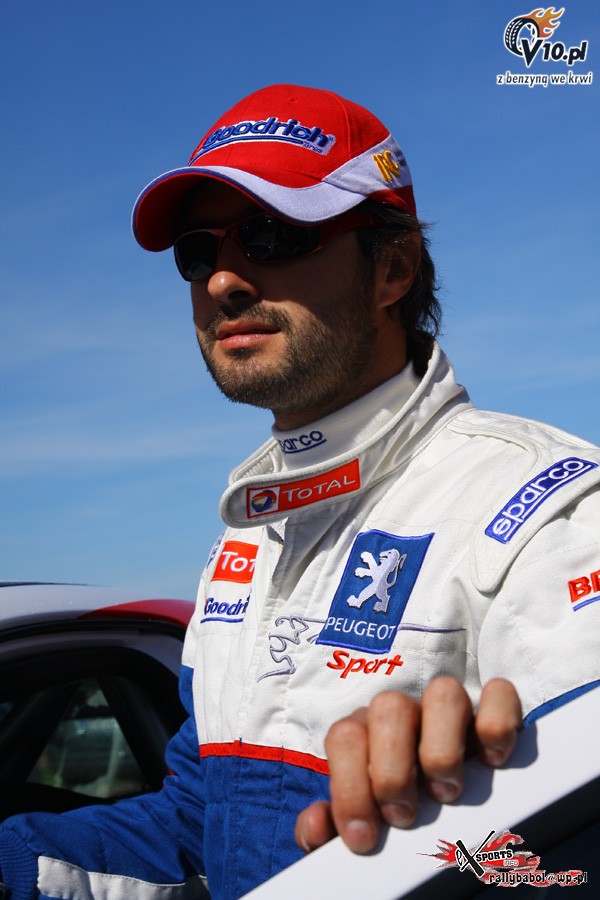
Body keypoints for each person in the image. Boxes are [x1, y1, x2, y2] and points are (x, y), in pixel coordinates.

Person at [1, 83, 598, 900]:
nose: (222, 280)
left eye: (272, 235)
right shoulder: (249, 537)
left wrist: (450, 832)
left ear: (393, 268)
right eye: (198, 252)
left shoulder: (546, 508)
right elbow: (198, 827)